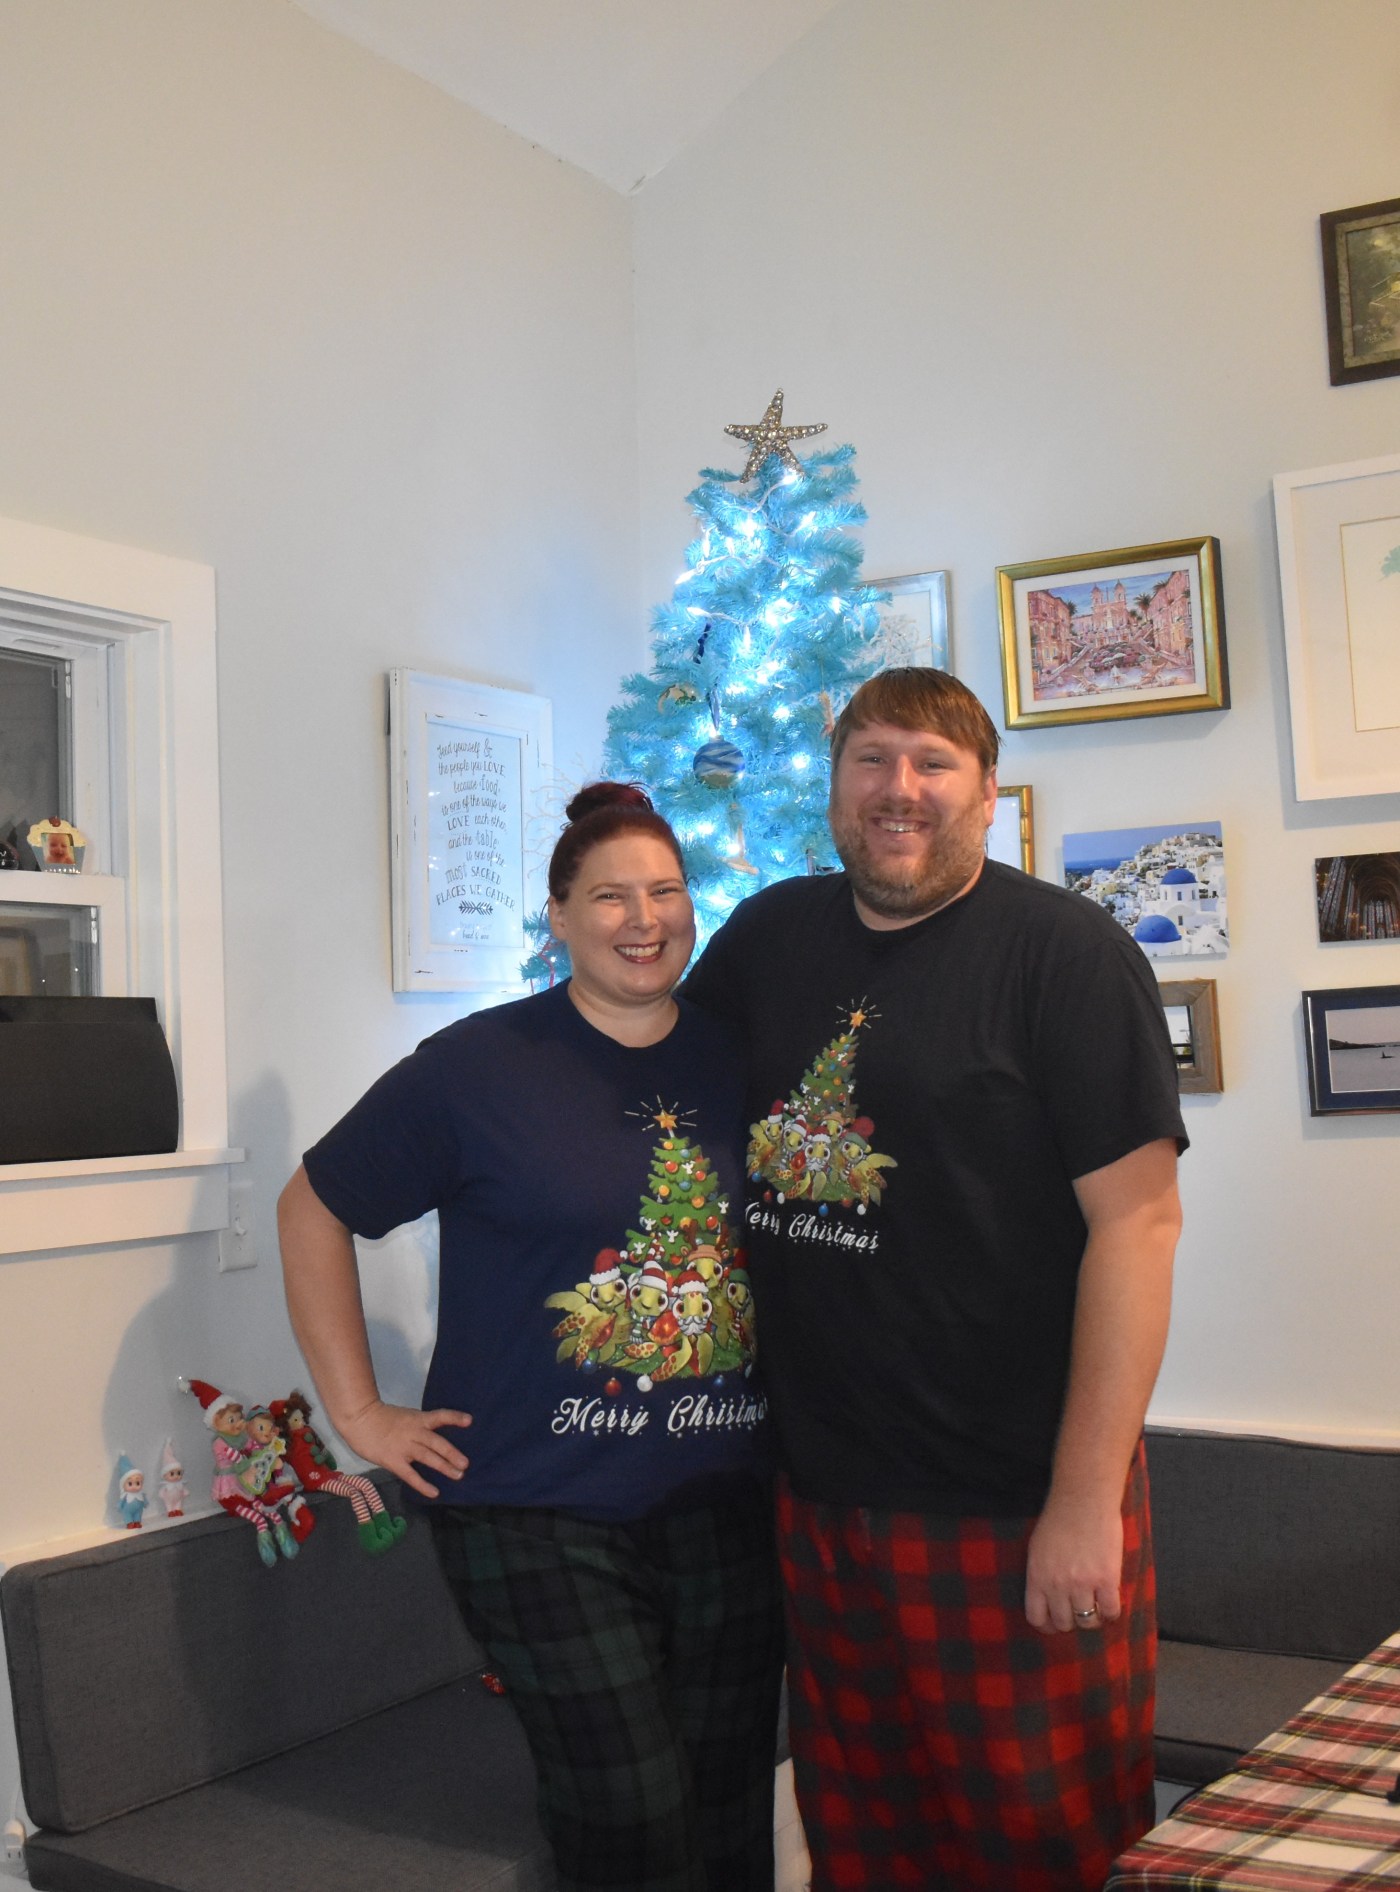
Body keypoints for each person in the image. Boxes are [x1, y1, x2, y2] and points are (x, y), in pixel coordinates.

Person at [683, 668, 1187, 1892]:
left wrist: (1083, 1505)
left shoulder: (1064, 954)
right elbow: (652, 1081)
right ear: (834, 783)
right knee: (862, 1841)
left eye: (930, 762)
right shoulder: (767, 936)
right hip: (821, 1494)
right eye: (869, 758)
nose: (895, 788)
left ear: (985, 790)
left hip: (1011, 1499)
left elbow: (1139, 1226)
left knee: (1046, 1845)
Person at [277, 782, 783, 1892]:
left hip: (725, 1505)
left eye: (665, 891)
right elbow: (312, 1206)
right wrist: (357, 1411)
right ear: (558, 915)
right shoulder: (477, 1067)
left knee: (728, 1813)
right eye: (608, 895)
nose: (642, 918)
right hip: (534, 1511)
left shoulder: (739, 1060)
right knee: (631, 1820)